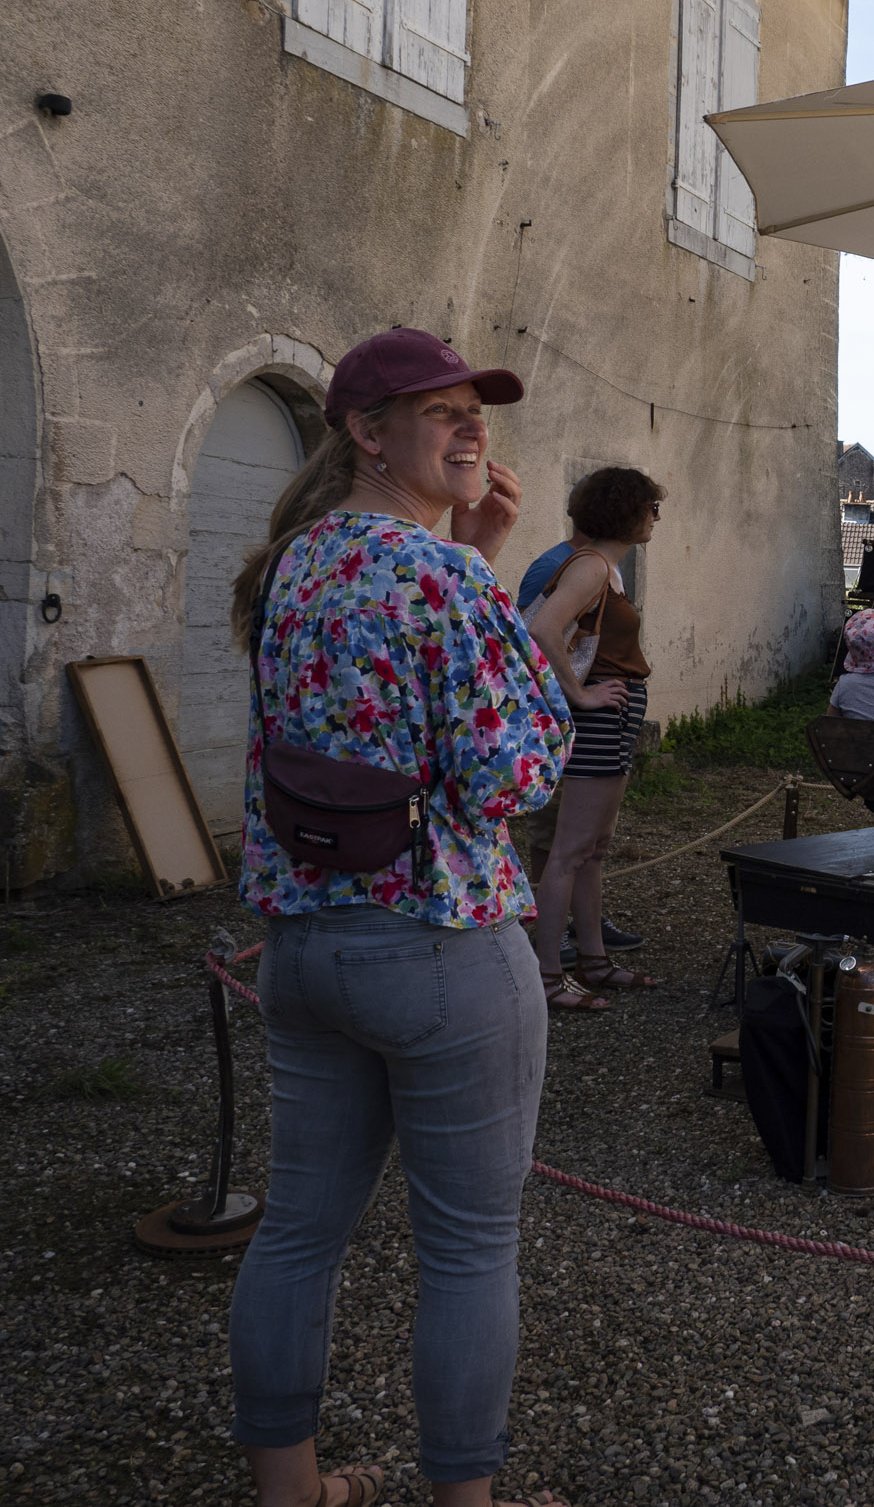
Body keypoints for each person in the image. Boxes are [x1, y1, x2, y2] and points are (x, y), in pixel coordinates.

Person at [225, 328, 570, 1507]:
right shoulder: (443, 575)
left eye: (477, 411)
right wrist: (489, 576)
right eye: (440, 413)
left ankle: (292, 1488)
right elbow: (513, 774)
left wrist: (468, 551)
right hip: (437, 942)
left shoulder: (291, 563)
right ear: (366, 432)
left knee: (297, 1231)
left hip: (305, 945)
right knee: (469, 1247)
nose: (471, 429)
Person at [526, 466, 665, 1011]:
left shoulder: (604, 566)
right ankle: (547, 977)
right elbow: (542, 629)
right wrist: (581, 697)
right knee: (569, 851)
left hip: (614, 719)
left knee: (593, 850)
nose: (655, 517)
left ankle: (594, 960)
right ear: (626, 511)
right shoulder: (589, 566)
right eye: (651, 508)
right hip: (599, 721)